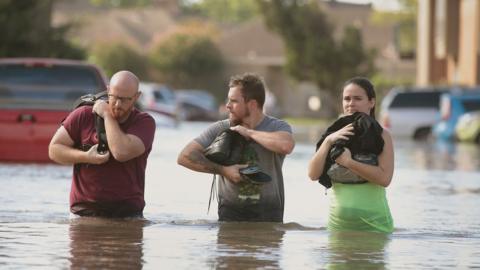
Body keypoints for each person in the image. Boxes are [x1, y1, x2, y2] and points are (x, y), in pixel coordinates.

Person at [177, 73, 295, 222]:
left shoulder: (277, 126)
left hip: (268, 217)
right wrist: (223, 170)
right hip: (230, 216)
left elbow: (286, 145)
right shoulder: (221, 128)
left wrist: (249, 133)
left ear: (252, 104)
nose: (227, 105)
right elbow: (184, 156)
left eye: (233, 101)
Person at [49, 70, 156, 218]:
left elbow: (121, 152)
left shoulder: (144, 122)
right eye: (115, 97)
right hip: (83, 213)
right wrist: (86, 156)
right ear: (108, 90)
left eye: (125, 99)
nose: (118, 104)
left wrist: (107, 116)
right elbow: (54, 150)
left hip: (127, 217)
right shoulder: (83, 115)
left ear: (136, 97)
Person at [307, 77, 394, 233]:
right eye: (347, 99)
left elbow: (385, 179)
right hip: (338, 227)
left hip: (375, 227)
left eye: (357, 98)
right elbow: (313, 174)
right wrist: (328, 141)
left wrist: (349, 162)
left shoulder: (382, 136)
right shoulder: (331, 135)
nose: (351, 103)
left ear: (371, 102)